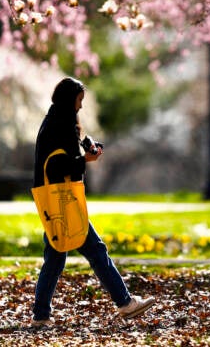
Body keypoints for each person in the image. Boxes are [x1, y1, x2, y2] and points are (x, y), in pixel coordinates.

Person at [31, 77, 156, 327]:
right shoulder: (58, 125)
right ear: (70, 99)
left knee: (56, 259)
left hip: (59, 203)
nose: (80, 106)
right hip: (63, 203)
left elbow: (73, 145)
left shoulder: (58, 120)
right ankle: (125, 303)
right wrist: (84, 160)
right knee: (96, 251)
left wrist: (88, 146)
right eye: (79, 100)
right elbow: (56, 166)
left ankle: (41, 316)